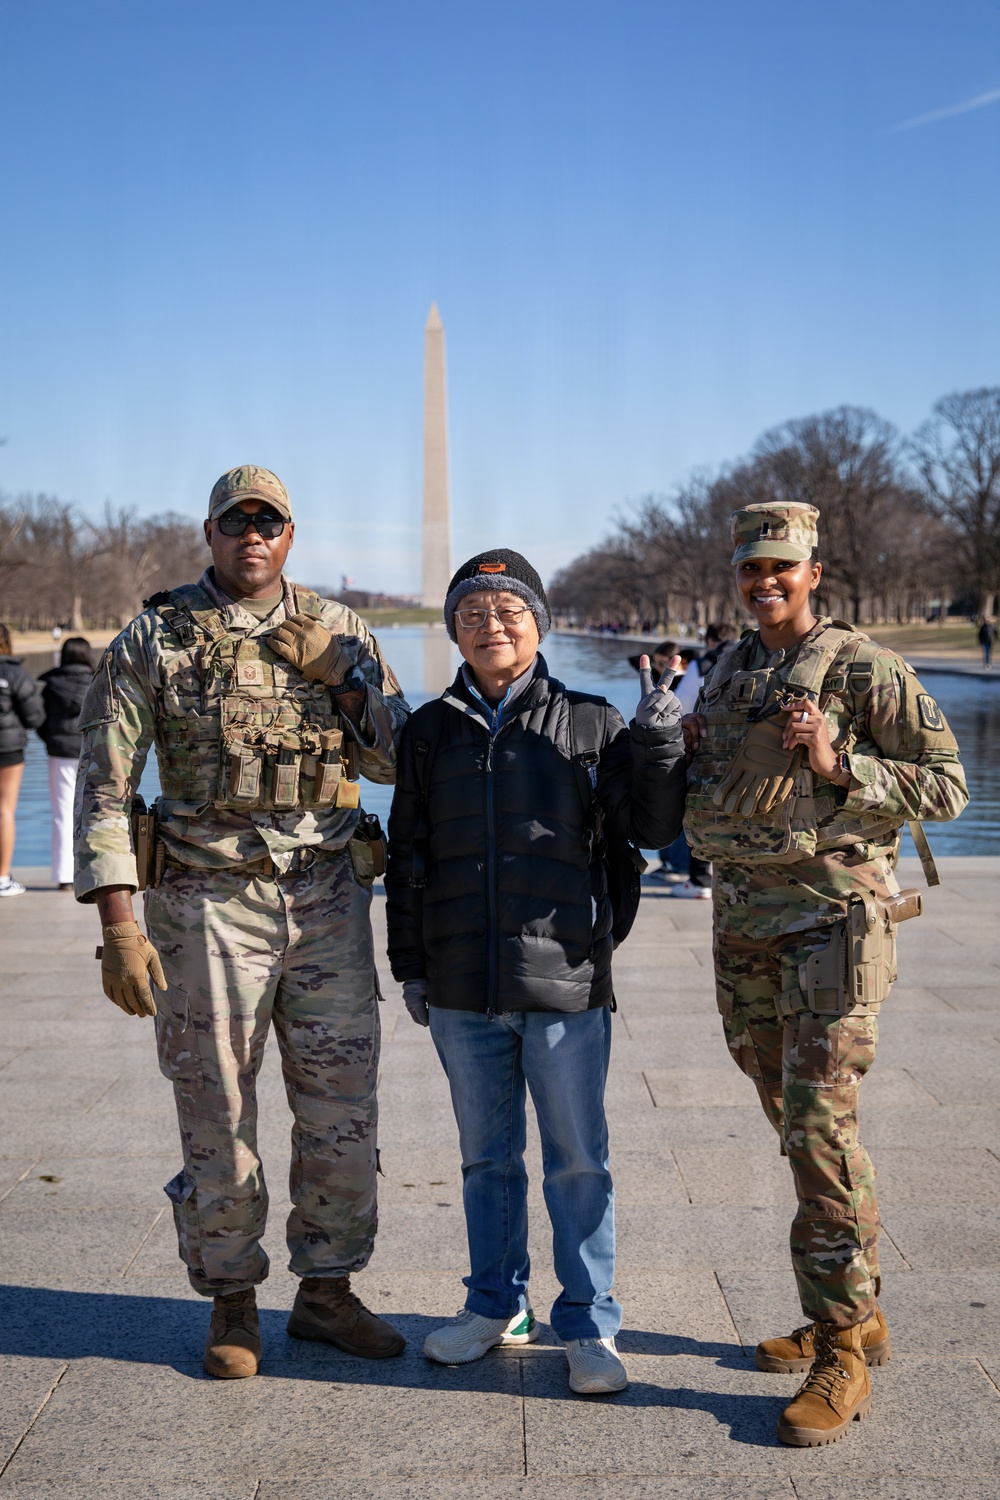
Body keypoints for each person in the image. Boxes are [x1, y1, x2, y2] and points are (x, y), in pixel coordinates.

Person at [74, 465, 410, 1379]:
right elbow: (105, 783)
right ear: (210, 534)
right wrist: (117, 924)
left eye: (269, 522)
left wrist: (343, 678)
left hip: (328, 896)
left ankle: (328, 1291)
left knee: (342, 1105)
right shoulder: (157, 634)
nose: (252, 536)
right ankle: (232, 1297)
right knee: (216, 1102)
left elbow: (391, 760)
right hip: (205, 899)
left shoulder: (342, 630)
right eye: (236, 522)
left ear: (291, 536)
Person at [681, 502, 968, 1446]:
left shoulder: (863, 667)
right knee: (786, 1115)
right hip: (745, 927)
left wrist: (839, 760)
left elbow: (948, 785)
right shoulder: (731, 666)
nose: (766, 583)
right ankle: (856, 1304)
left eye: (782, 569)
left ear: (813, 571)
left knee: (818, 1127)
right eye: (751, 569)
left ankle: (842, 1347)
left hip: (831, 927)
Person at [385, 550, 686, 1396]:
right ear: (453, 630)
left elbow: (654, 831)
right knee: (486, 1161)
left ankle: (588, 1323)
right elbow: (406, 857)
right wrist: (409, 964)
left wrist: (658, 742)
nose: (491, 625)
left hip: (563, 980)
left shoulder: (593, 722)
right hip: (458, 984)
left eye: (508, 609)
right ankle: (496, 1307)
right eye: (473, 612)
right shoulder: (428, 732)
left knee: (577, 1160)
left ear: (538, 623)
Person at [37, 636, 96, 889]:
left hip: (60, 752)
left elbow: (39, 718)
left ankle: (63, 876)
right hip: (92, 751)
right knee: (95, 812)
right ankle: (95, 872)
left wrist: (51, 739)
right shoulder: (97, 680)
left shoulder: (50, 683)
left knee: (62, 813)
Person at [0, 623, 45, 898]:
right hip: (8, 749)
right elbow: (34, 717)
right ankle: (2, 877)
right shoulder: (14, 673)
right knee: (4, 810)